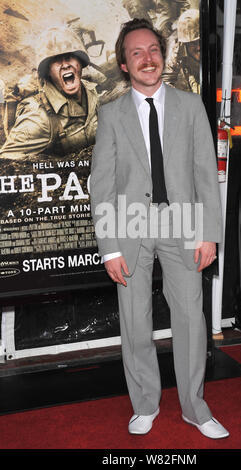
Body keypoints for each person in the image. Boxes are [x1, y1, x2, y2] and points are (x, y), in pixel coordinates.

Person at [90, 18, 229, 439]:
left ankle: (194, 407)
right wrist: (110, 247)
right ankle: (145, 404)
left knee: (191, 317)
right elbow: (103, 184)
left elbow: (206, 173)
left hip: (183, 223)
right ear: (124, 64)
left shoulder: (190, 107)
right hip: (129, 226)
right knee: (135, 321)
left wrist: (209, 232)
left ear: (162, 56)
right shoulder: (111, 114)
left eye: (153, 50)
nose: (147, 59)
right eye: (137, 53)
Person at [0, 27, 99, 159]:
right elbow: (6, 161)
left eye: (69, 57)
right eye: (57, 60)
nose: (65, 65)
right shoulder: (38, 118)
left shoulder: (93, 93)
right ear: (48, 72)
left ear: (80, 62)